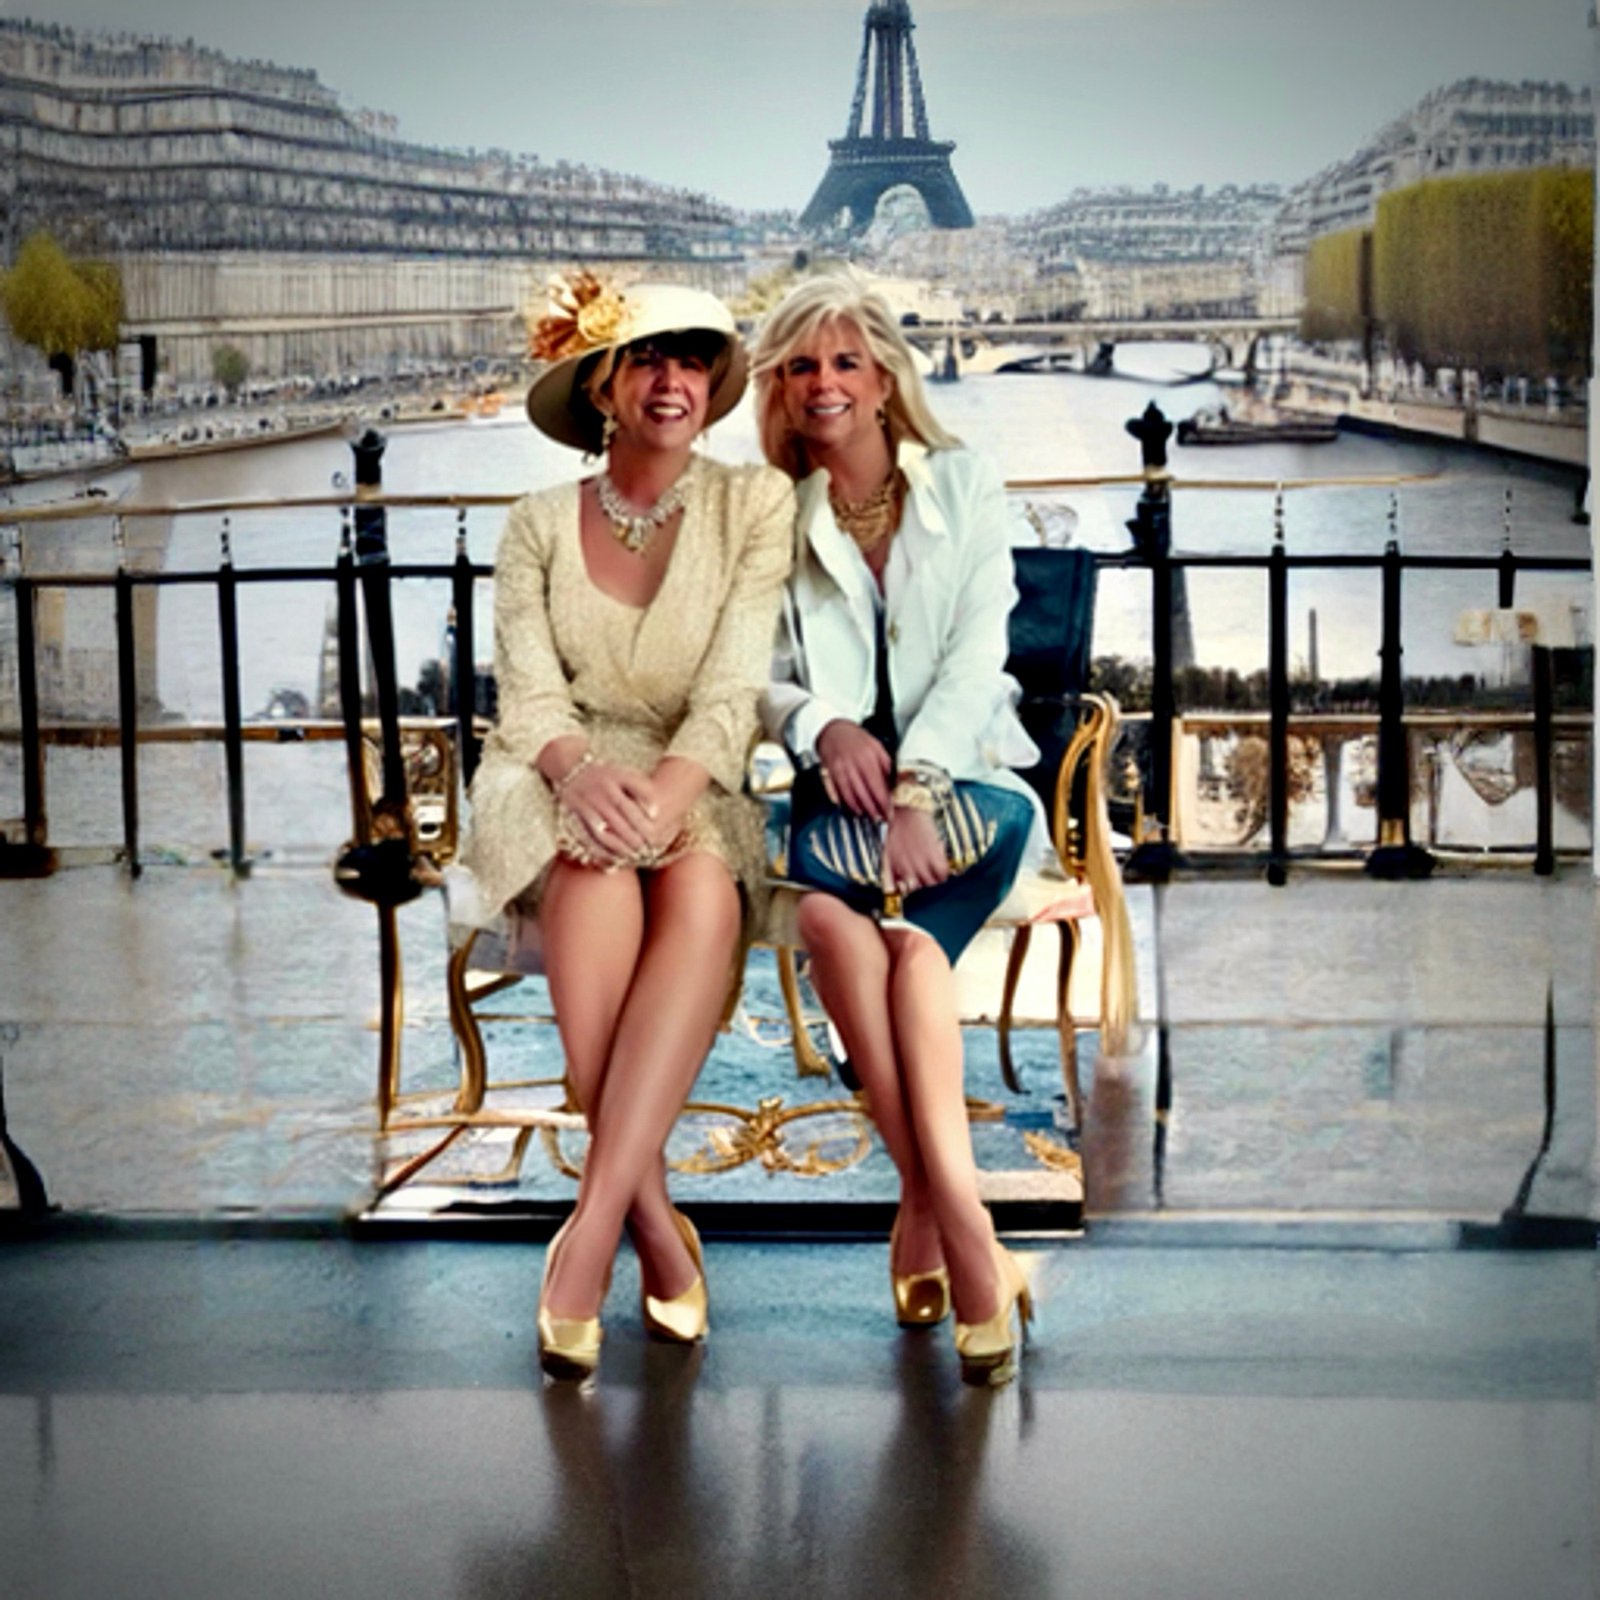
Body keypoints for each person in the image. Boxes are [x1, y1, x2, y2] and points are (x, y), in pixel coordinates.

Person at [464, 276, 794, 1381]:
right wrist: (580, 775)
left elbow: (734, 683)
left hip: (690, 766)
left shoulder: (754, 506)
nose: (672, 381)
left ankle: (590, 1233)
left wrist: (664, 790)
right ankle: (651, 1223)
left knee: (700, 884)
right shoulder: (532, 525)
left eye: (694, 361)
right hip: (551, 772)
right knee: (591, 869)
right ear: (602, 386)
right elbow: (528, 699)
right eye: (648, 360)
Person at [753, 276, 1042, 1386]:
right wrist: (823, 726)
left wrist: (918, 782)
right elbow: (753, 676)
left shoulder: (963, 484)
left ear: (883, 380)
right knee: (844, 925)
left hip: (962, 789)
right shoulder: (764, 513)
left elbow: (980, 654)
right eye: (799, 367)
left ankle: (935, 1214)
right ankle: (967, 1235)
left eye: (844, 364)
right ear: (778, 389)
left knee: (896, 937)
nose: (823, 384)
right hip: (832, 804)